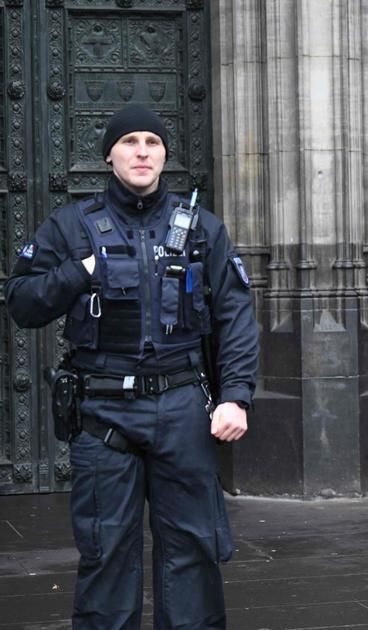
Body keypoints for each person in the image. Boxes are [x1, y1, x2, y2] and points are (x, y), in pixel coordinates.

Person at [4, 104, 258, 628]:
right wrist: (80, 271)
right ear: (109, 155)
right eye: (130, 142)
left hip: (183, 406)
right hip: (104, 413)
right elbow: (22, 300)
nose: (142, 151)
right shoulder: (71, 225)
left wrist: (235, 395)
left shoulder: (203, 229)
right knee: (106, 551)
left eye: (153, 142)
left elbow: (235, 314)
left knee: (193, 551)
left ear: (165, 156)